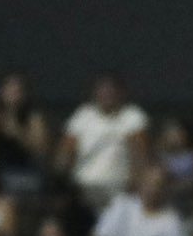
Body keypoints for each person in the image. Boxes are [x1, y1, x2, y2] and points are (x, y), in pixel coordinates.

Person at [60, 73, 150, 209]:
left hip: (119, 186)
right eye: (102, 90)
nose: (107, 95)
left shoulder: (132, 116)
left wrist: (135, 183)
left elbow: (141, 154)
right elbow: (66, 151)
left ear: (121, 93)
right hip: (83, 186)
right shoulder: (83, 114)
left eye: (111, 91)